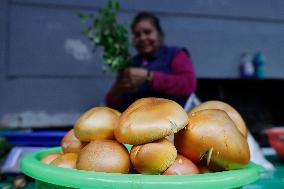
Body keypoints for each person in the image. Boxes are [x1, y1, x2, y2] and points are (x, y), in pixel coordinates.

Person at [105, 12, 197, 112]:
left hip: (170, 120)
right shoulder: (131, 64)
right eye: (137, 35)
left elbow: (188, 84)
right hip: (136, 122)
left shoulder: (174, 54)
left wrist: (149, 77)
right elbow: (111, 102)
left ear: (159, 34)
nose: (142, 38)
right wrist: (119, 86)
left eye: (147, 32)